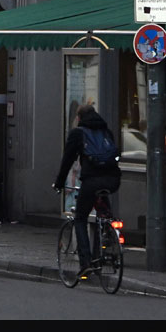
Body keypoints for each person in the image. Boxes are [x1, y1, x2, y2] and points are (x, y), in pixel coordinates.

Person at [53, 103, 122, 277]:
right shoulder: (106, 131)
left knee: (80, 218)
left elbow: (67, 160)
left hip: (92, 182)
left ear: (79, 118)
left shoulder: (78, 133)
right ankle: (109, 244)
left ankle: (86, 263)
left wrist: (59, 182)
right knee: (103, 214)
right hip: (113, 180)